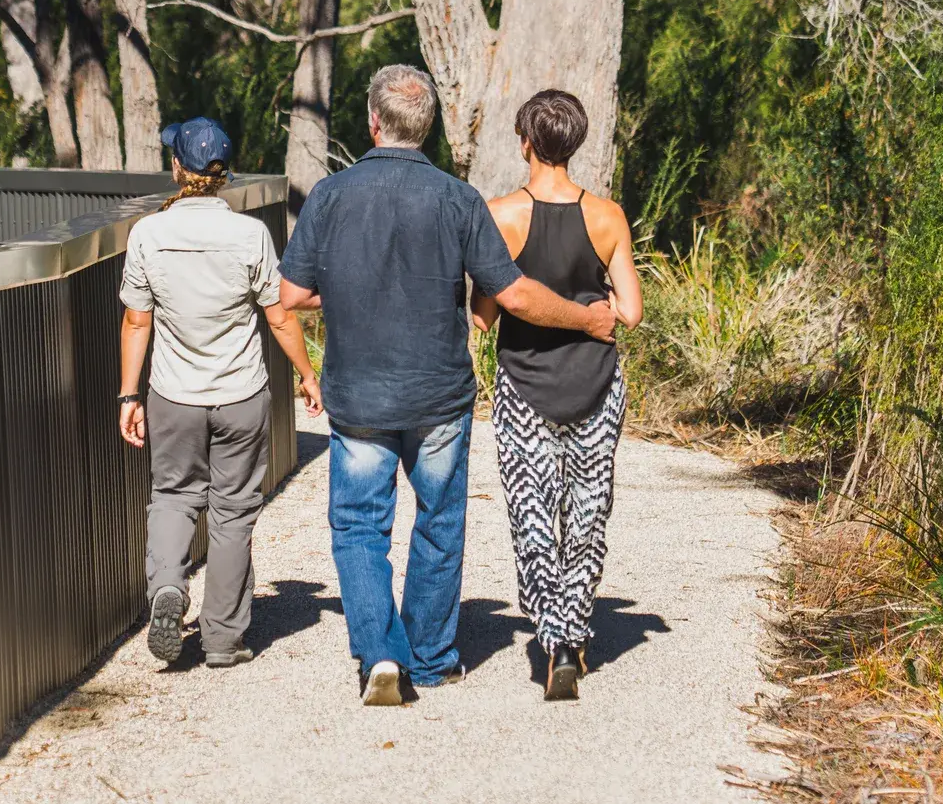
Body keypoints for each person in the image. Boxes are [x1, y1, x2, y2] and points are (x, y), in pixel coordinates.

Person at [278, 65, 617, 706]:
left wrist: (352, 293)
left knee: (358, 528)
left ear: (374, 122)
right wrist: (586, 317)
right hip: (439, 393)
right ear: (426, 126)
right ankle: (432, 660)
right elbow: (511, 292)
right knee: (438, 522)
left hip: (358, 393)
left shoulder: (330, 194)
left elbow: (292, 296)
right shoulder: (458, 199)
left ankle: (380, 656)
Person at [118, 117, 323, 669]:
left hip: (174, 395)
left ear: (178, 168)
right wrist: (307, 374)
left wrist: (128, 396)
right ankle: (223, 640)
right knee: (233, 514)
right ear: (222, 172)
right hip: (240, 394)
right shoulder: (249, 234)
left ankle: (167, 585)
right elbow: (278, 316)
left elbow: (137, 323)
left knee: (174, 495)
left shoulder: (148, 235)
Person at [472, 89, 644, 701]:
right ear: (576, 143)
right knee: (589, 512)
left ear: (524, 142)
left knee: (533, 515)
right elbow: (632, 311)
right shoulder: (608, 216)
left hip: (524, 385)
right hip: (598, 383)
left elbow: (485, 316)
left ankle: (553, 635)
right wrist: (591, 306)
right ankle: (572, 635)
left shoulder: (500, 216)